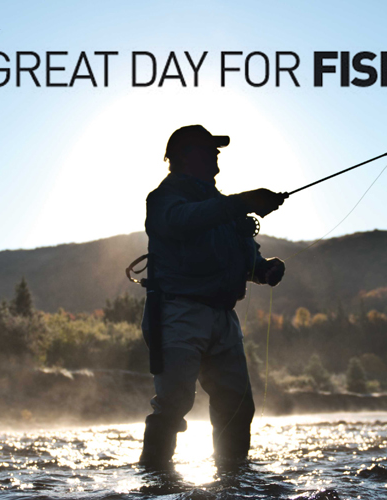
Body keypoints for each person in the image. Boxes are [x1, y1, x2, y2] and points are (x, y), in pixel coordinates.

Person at [139, 124, 287, 469]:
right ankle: (154, 482)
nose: (217, 155)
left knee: (237, 406)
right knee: (174, 404)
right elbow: (182, 222)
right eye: (210, 149)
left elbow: (241, 255)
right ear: (186, 156)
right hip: (177, 314)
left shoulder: (222, 206)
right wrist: (245, 203)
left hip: (223, 318)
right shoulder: (164, 198)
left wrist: (262, 268)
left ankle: (233, 481)